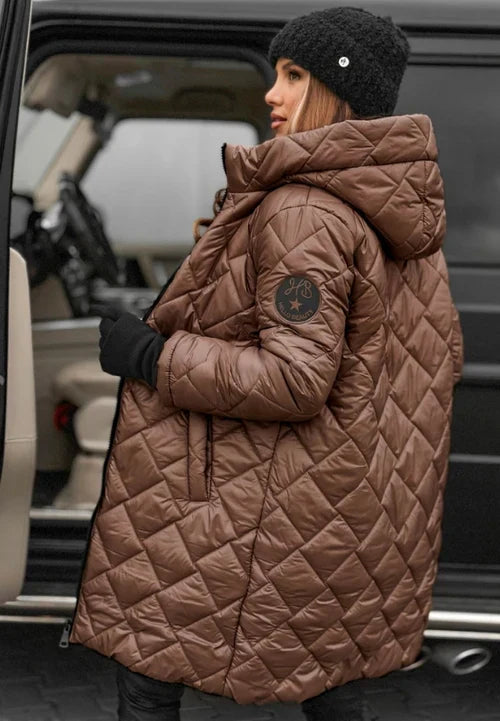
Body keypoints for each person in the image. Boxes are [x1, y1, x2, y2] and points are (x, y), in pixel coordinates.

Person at [68, 7, 463, 721]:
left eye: (294, 75)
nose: (271, 93)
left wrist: (150, 354)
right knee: (330, 678)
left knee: (150, 674)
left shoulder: (304, 209)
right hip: (341, 506)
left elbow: (293, 379)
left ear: (339, 91)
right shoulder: (393, 208)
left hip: (253, 505)